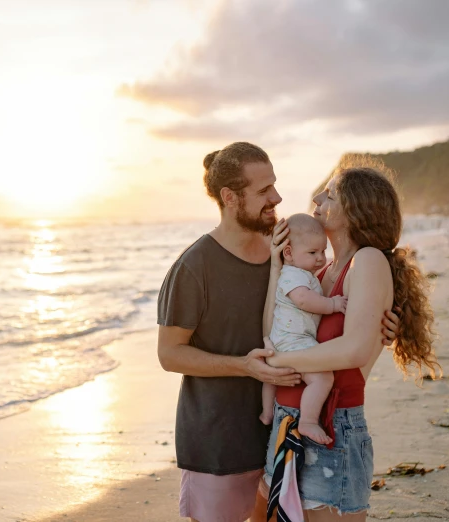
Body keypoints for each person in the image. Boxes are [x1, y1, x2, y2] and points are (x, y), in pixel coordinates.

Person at [157, 143, 400, 522]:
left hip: (283, 429)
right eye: (264, 191)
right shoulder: (194, 267)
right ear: (230, 198)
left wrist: (379, 331)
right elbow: (170, 354)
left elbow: (338, 330)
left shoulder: (294, 251)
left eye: (275, 185)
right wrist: (248, 366)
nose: (279, 198)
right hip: (223, 439)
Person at [252, 159, 440, 522]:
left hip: (332, 428)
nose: (319, 195)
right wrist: (277, 268)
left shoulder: (366, 261)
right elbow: (275, 328)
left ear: (355, 210)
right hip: (289, 421)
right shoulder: (320, 271)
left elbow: (353, 350)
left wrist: (273, 363)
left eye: (332, 193)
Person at [260, 214, 346, 446]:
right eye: (312, 252)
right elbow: (304, 300)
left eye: (323, 251)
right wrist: (333, 304)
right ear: (288, 253)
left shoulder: (301, 273)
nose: (320, 258)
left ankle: (267, 412)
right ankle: (308, 420)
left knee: (271, 378)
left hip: (282, 340)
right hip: (295, 341)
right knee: (322, 378)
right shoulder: (293, 275)